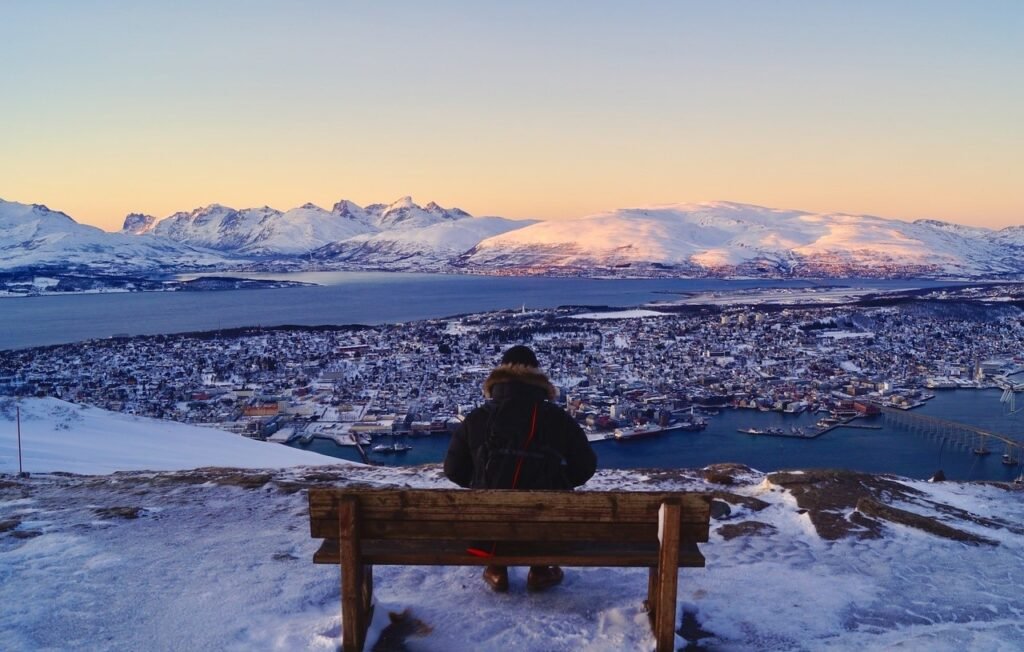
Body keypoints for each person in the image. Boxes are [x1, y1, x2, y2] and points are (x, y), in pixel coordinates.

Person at [444, 344, 597, 592]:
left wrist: (481, 482)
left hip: (489, 528)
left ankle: (496, 568)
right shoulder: (558, 420)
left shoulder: (476, 419)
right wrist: (557, 480)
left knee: (494, 501)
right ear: (537, 377)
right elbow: (586, 465)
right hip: (544, 530)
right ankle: (540, 569)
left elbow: (453, 468)